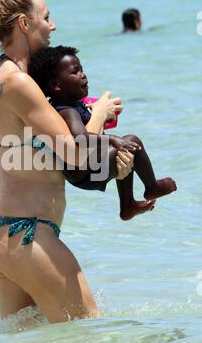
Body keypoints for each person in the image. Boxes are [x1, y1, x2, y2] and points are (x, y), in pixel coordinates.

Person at [0, 0, 134, 324]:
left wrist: (112, 163)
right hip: (28, 236)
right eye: (46, 17)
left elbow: (43, 158)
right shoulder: (17, 82)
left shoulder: (9, 76)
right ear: (24, 24)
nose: (53, 26)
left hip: (7, 236)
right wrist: (100, 113)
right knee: (85, 338)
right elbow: (76, 152)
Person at [29, 45, 177, 220]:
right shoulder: (67, 111)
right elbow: (81, 138)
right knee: (131, 141)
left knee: (125, 146)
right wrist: (113, 139)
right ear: (56, 85)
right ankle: (151, 187)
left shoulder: (74, 104)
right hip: (87, 174)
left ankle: (128, 205)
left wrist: (103, 114)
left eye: (82, 69)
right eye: (75, 72)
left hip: (86, 170)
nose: (83, 75)